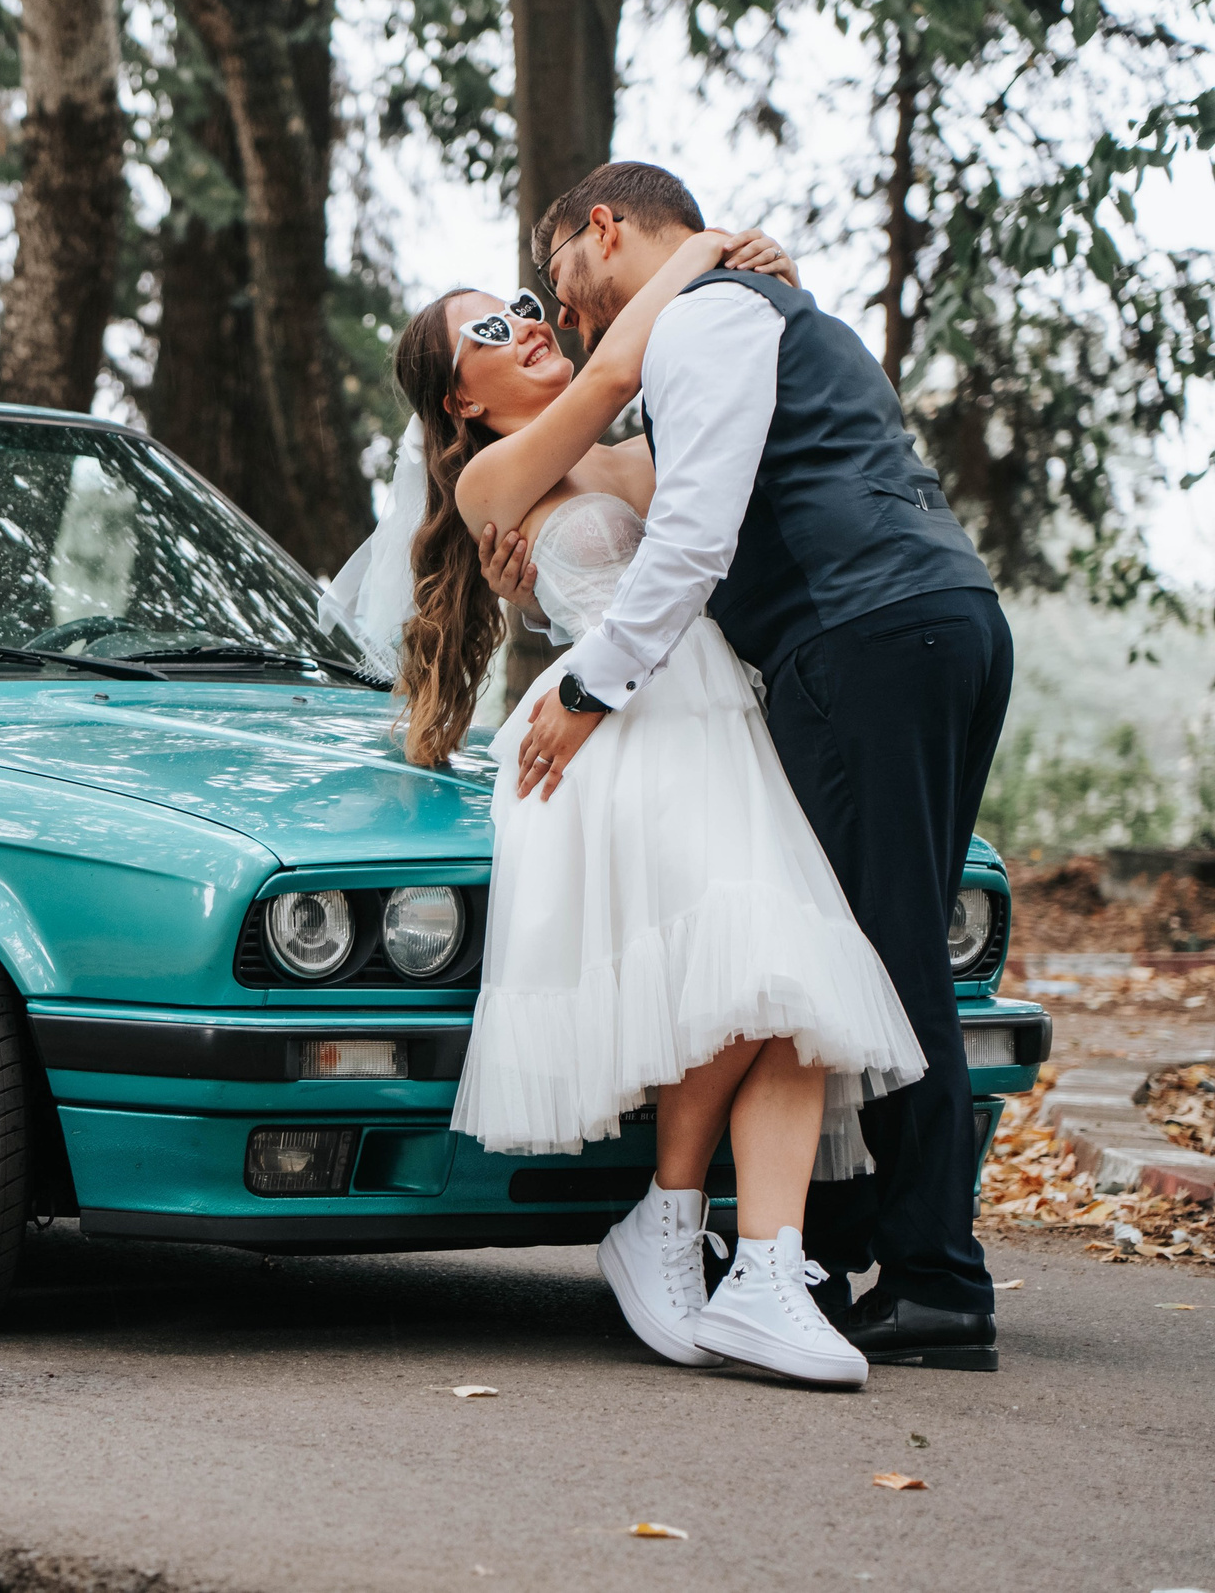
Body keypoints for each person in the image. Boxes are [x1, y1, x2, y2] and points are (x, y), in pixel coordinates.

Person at [342, 221, 927, 1387]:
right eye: (489, 332)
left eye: (519, 302)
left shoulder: (628, 446)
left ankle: (764, 1267)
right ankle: (663, 1223)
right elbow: (611, 364)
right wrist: (701, 248)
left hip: (716, 710)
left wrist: (774, 305)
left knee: (790, 980)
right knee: (750, 966)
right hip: (606, 736)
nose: (523, 325)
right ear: (458, 402)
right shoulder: (490, 478)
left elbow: (727, 473)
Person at [473, 163, 1017, 1371]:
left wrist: (588, 682)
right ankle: (839, 1244)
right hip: (943, 616)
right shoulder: (756, 307)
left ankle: (932, 1280)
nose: (560, 315)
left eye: (560, 282)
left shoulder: (710, 315)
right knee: (879, 939)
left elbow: (697, 525)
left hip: (860, 633)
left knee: (877, 950)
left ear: (603, 230)